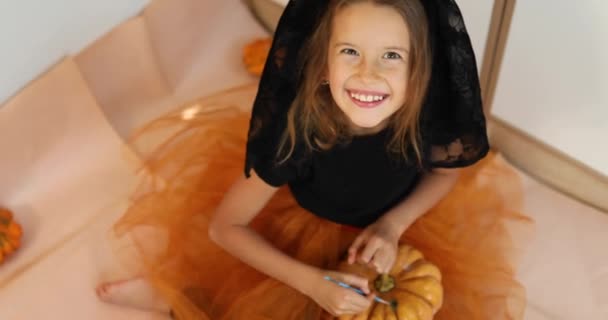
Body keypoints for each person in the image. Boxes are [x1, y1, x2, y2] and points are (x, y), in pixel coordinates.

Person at [96, 0, 533, 319]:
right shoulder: (298, 135)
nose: (368, 73)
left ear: (421, 70)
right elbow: (225, 227)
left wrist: (393, 225)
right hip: (300, 248)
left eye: (392, 56)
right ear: (322, 64)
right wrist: (310, 283)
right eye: (350, 52)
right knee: (237, 304)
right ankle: (173, 296)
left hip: (391, 236)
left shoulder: (425, 119)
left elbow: (443, 175)